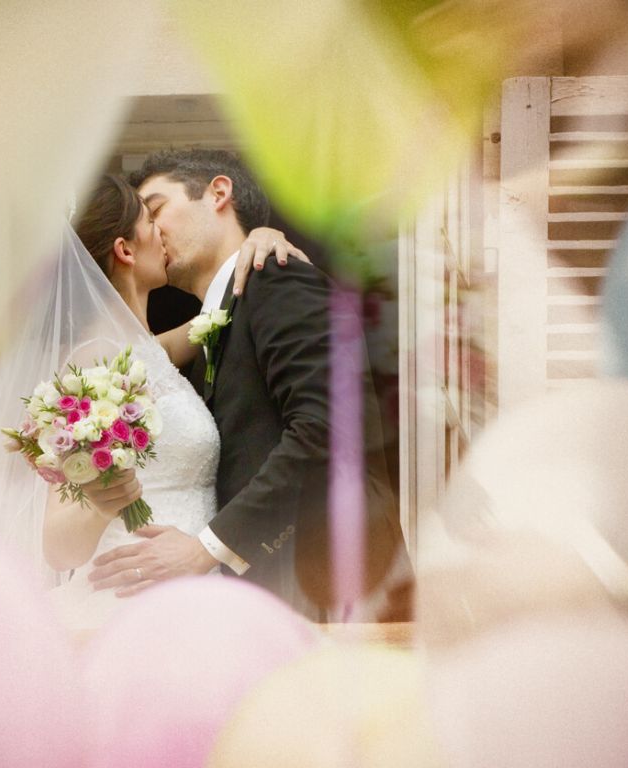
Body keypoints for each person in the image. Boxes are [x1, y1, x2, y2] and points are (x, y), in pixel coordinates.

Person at [0, 173, 304, 627]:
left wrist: (262, 239)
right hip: (137, 599)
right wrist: (103, 497)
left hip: (192, 592)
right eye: (151, 220)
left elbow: (213, 320)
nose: (163, 231)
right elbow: (60, 546)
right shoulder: (98, 364)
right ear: (125, 249)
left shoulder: (140, 351)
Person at [88, 149, 413, 621]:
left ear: (219, 193)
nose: (153, 231)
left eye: (157, 209)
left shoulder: (278, 279)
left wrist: (207, 549)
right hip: (266, 592)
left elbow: (326, 428)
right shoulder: (211, 325)